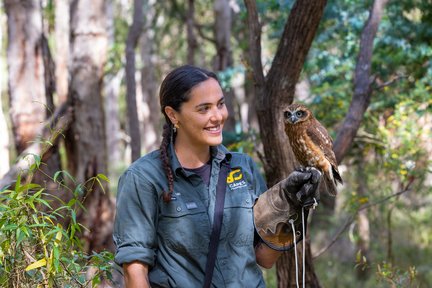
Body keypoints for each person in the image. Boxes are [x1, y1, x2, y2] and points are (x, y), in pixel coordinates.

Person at [113, 65, 321, 287]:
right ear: (173, 115)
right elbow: (135, 272)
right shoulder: (144, 178)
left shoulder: (243, 167)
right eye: (204, 109)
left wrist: (292, 207)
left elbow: (264, 258)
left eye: (220, 104)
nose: (217, 116)